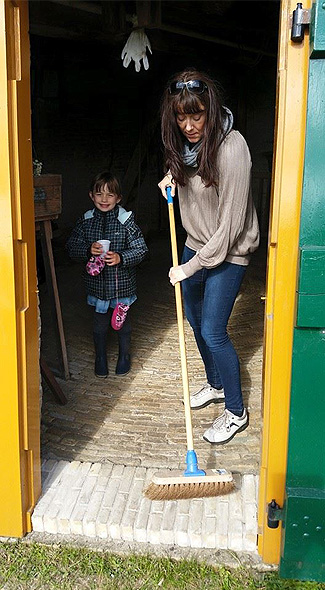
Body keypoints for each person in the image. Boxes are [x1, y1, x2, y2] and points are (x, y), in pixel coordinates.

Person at [158, 69, 259, 444]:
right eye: (181, 117)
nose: (188, 125)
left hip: (227, 251)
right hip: (196, 243)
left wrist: (190, 266)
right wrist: (171, 177)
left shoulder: (232, 148)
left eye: (196, 115)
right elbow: (190, 179)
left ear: (211, 110)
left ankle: (236, 411)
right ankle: (215, 384)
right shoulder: (184, 148)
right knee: (196, 323)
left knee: (214, 332)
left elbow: (229, 227)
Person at [67, 171, 148, 378]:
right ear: (91, 196)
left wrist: (121, 257)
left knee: (122, 324)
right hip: (97, 287)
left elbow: (141, 249)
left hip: (122, 287)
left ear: (118, 198)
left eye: (110, 195)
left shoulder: (126, 221)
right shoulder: (86, 221)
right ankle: (100, 357)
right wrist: (87, 250)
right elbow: (71, 247)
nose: (104, 199)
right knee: (99, 325)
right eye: (99, 194)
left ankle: (124, 355)